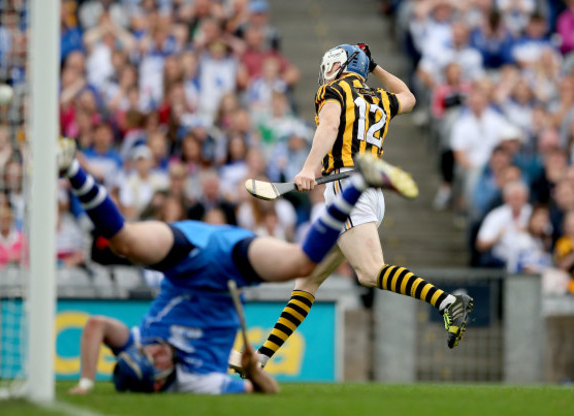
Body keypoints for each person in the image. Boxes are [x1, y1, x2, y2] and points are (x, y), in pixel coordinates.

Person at [57, 136, 418, 394]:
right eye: (153, 358)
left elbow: (96, 326)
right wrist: (253, 373)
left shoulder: (141, 341)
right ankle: (359, 183)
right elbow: (269, 392)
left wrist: (87, 382)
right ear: (162, 377)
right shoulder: (200, 381)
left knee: (125, 242)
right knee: (302, 263)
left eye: (144, 351)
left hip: (188, 253)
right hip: (230, 260)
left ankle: (70, 167)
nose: (153, 349)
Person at [233, 43, 473, 374]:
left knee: (370, 272)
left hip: (347, 189)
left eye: (333, 62)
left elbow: (329, 126)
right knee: (306, 280)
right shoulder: (378, 97)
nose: (327, 69)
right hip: (369, 191)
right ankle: (260, 360)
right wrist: (375, 67)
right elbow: (408, 96)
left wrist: (308, 169)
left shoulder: (333, 91)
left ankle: (447, 301)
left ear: (345, 65)